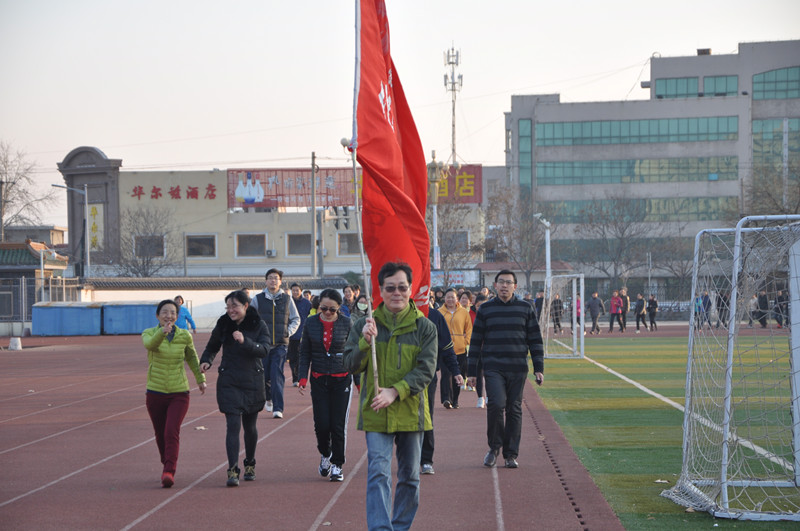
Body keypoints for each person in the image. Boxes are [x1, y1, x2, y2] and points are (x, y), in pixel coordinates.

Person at [343, 262, 436, 531]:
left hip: (411, 412)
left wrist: (395, 391)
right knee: (378, 473)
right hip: (377, 412)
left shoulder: (424, 327)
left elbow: (426, 370)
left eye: (402, 288)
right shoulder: (364, 325)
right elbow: (349, 365)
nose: (397, 293)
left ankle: (401, 526)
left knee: (410, 477)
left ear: (411, 289)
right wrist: (364, 342)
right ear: (380, 290)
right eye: (391, 288)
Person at [467, 270, 543, 469]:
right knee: (496, 404)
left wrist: (538, 367)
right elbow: (475, 341)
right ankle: (494, 448)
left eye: (508, 282)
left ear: (515, 286)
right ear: (495, 285)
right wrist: (471, 372)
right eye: (501, 282)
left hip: (517, 367)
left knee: (514, 409)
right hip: (493, 366)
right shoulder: (485, 309)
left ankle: (511, 454)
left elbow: (535, 339)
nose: (504, 286)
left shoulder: (525, 308)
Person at [200, 290, 269, 487]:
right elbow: (212, 346)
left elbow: (265, 349)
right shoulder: (224, 323)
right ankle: (232, 469)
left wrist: (245, 341)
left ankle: (250, 463)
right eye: (228, 307)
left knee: (250, 427)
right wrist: (206, 360)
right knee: (232, 425)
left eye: (235, 306)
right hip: (229, 380)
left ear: (246, 306)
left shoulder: (258, 324)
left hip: (252, 380)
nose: (231, 310)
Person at [142, 299, 207, 488]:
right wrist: (162, 333)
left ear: (177, 317)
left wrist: (200, 379)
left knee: (171, 430)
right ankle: (166, 462)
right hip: (155, 392)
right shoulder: (149, 333)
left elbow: (192, 357)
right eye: (164, 312)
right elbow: (150, 345)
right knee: (160, 433)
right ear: (157, 316)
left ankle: (169, 470)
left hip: (179, 392)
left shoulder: (184, 335)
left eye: (172, 313)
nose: (168, 316)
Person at [298, 288, 353, 482]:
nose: (328, 312)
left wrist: (359, 380)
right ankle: (325, 453)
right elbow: (305, 352)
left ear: (339, 308)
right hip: (319, 378)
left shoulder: (347, 323)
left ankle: (337, 464)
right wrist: (302, 377)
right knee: (322, 424)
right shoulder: (311, 322)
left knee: (338, 424)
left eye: (332, 309)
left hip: (341, 378)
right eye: (323, 308)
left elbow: (354, 352)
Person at [251, 268, 300, 419]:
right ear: (266, 281)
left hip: (280, 345)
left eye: (276, 278)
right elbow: (250, 319)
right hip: (263, 345)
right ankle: (268, 398)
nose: (273, 280)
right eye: (270, 278)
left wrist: (288, 332)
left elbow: (296, 319)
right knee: (264, 376)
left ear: (280, 281)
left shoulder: (287, 299)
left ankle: (278, 408)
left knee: (277, 375)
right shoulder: (257, 299)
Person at [420, 308, 462, 475]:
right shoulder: (397, 313)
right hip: (400, 377)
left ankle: (426, 460)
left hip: (427, 376)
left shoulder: (435, 316)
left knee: (426, 416)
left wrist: (456, 371)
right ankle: (407, 457)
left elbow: (446, 347)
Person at [438, 288, 472, 409]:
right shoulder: (439, 312)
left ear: (457, 299)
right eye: (448, 297)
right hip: (444, 349)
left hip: (460, 349)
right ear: (444, 299)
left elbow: (469, 329)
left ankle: (455, 399)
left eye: (452, 297)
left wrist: (465, 341)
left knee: (458, 375)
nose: (450, 299)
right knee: (446, 374)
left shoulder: (463, 312)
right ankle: (446, 398)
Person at [288, 282, 312, 387]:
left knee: (301, 357)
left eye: (297, 290)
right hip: (291, 334)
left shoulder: (307, 303)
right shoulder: (288, 302)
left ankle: (300, 377)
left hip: (303, 334)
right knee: (293, 357)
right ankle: (295, 378)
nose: (295, 292)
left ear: (301, 291)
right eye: (293, 290)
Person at [472, 293, 489, 408]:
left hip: (488, 349)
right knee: (478, 374)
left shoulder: (491, 315)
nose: (481, 307)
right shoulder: (470, 314)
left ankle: (488, 396)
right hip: (476, 349)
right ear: (475, 305)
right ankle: (480, 398)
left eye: (483, 305)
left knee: (489, 374)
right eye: (479, 305)